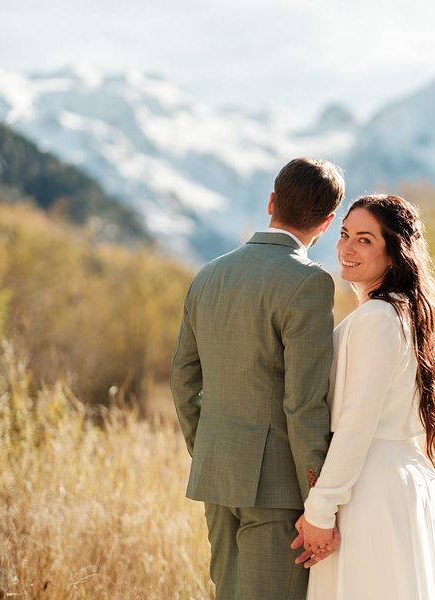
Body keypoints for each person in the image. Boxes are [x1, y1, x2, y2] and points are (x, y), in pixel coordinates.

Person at [170, 157, 345, 600]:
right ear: (327, 222)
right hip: (279, 487)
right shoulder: (308, 282)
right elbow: (303, 402)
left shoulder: (208, 275)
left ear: (271, 202)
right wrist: (319, 498)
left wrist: (207, 446)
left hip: (216, 473)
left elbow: (183, 380)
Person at [292, 194, 435, 599]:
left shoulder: (376, 319)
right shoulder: (402, 315)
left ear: (394, 254)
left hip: (371, 493)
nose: (347, 248)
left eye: (365, 240)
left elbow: (356, 424)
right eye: (344, 234)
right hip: (402, 482)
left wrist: (321, 509)